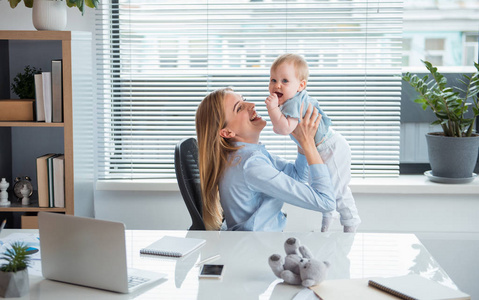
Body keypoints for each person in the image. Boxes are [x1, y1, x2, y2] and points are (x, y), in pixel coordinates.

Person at [195, 87, 336, 231]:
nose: (251, 105)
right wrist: (308, 143)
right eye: (239, 108)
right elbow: (325, 202)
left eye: (243, 99)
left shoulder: (245, 155)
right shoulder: (251, 165)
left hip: (257, 244)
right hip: (257, 248)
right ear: (227, 132)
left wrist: (300, 137)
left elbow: (297, 176)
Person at [265, 53, 361, 232]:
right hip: (318, 149)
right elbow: (281, 129)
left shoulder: (295, 102)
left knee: (338, 191)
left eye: (285, 81)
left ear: (301, 85)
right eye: (273, 80)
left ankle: (351, 222)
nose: (277, 85)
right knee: (323, 187)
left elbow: (284, 129)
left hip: (331, 147)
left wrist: (272, 109)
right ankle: (326, 226)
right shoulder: (288, 103)